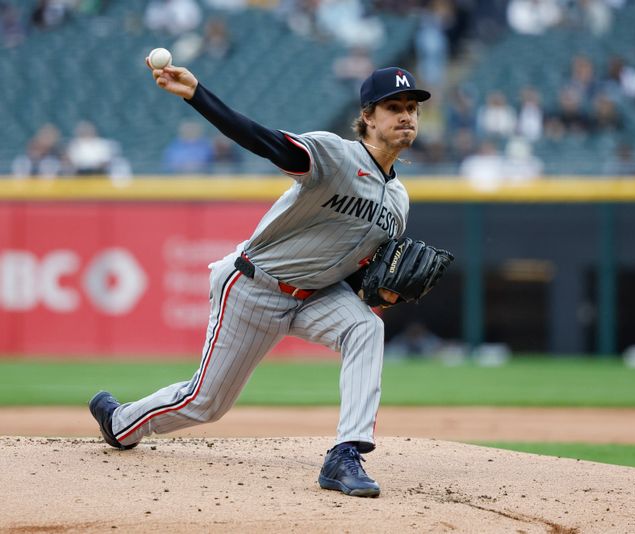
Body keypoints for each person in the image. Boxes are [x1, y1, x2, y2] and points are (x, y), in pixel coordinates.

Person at [88, 61, 432, 499]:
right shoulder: (335, 156)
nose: (406, 116)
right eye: (393, 107)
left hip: (315, 297)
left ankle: (346, 454)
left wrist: (377, 290)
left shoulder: (399, 200)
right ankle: (120, 423)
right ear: (367, 116)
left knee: (366, 326)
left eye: (412, 108)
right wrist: (198, 95)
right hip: (254, 287)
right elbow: (264, 141)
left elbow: (357, 271)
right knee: (206, 404)